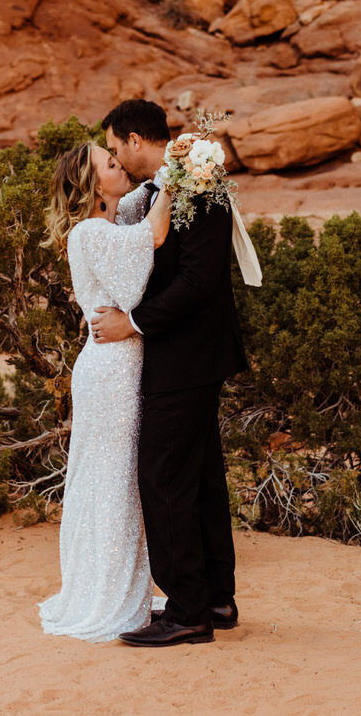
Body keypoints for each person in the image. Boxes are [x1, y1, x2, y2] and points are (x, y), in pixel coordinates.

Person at [91, 98, 248, 648]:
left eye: (115, 147)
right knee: (201, 475)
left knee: (163, 476)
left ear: (136, 140)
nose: (115, 156)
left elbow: (200, 280)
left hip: (186, 355)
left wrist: (133, 323)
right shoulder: (168, 184)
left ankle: (187, 610)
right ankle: (215, 598)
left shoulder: (197, 181)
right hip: (194, 354)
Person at [38, 141, 173, 642]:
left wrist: (170, 168)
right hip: (111, 372)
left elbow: (145, 204)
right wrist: (180, 176)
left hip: (118, 364)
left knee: (115, 478)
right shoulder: (92, 232)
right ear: (94, 185)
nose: (120, 166)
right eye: (111, 165)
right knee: (113, 480)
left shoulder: (113, 221)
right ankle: (108, 595)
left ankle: (120, 585)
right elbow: (155, 233)